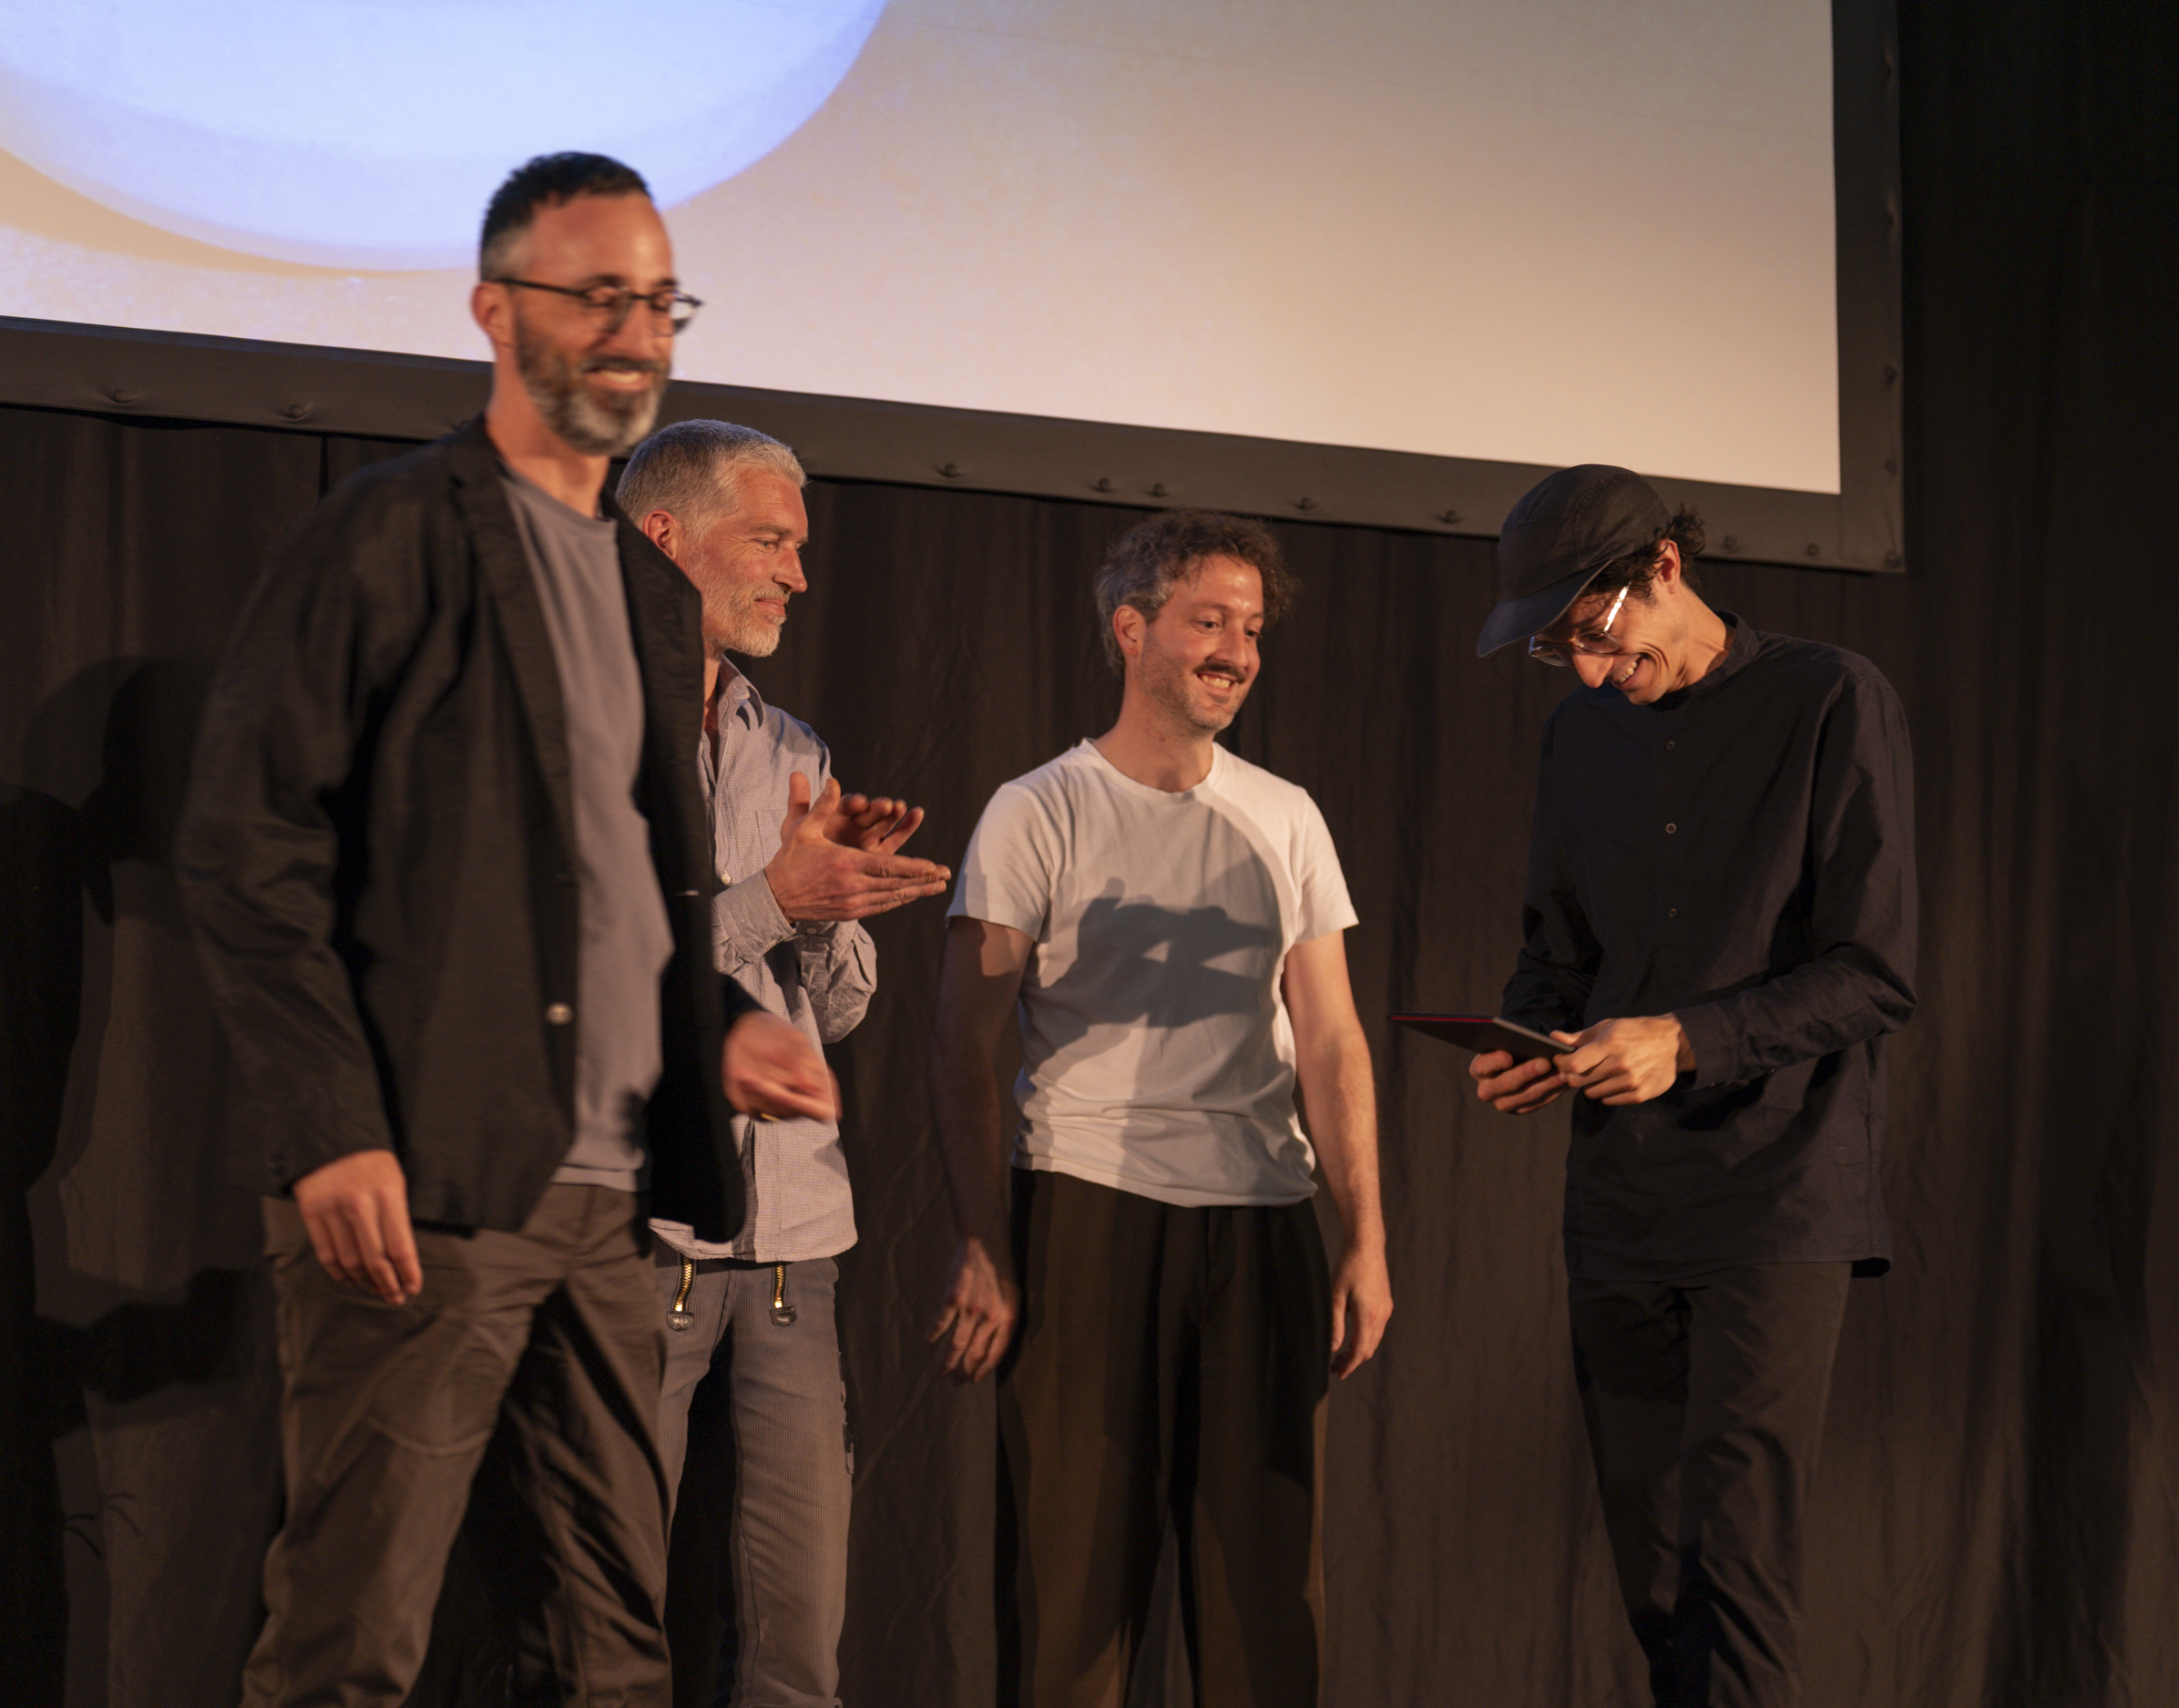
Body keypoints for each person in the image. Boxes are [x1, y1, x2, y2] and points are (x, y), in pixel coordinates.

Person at [177, 153, 835, 1708]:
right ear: (494, 311)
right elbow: (248, 846)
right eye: (595, 297)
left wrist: (715, 1028)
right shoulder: (392, 535)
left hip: (607, 1197)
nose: (633, 334)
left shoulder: (644, 593)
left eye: (657, 304)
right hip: (426, 1183)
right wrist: (334, 1127)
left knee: (611, 1654)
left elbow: (627, 885)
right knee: (353, 1642)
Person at [927, 509, 1393, 1708]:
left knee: (1266, 1609)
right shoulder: (1039, 809)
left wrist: (1366, 1237)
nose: (1238, 650)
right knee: (1071, 1604)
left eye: (1253, 627)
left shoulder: (1286, 813)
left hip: (1264, 1226)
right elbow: (964, 1045)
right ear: (1130, 630)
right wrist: (985, 1240)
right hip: (1088, 1218)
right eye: (1209, 622)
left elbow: (1332, 1040)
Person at [1468, 465, 1917, 1708]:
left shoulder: (1829, 698)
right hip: (1621, 1200)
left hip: (1776, 1194)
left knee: (1739, 1569)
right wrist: (1529, 1035)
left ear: (1665, 567)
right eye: (1561, 650)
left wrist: (1687, 1039)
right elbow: (1558, 948)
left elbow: (1875, 972)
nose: (1590, 671)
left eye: (1595, 632)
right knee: (1655, 1578)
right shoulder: (1579, 736)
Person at [614, 419, 951, 1706]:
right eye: (768, 543)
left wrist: (832, 905)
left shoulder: (792, 745)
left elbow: (840, 1015)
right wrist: (774, 896)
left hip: (795, 1246)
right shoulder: (584, 726)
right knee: (605, 1633)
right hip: (637, 1234)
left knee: (801, 1653)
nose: (797, 577)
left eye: (798, 550)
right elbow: (601, 965)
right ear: (665, 540)